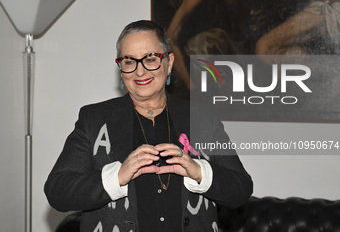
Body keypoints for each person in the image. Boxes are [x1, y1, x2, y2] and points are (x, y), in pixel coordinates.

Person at [44, 20, 253, 232]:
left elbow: (241, 189)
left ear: (169, 62)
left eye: (150, 59)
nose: (140, 71)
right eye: (129, 61)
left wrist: (199, 171)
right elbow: (57, 191)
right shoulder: (94, 119)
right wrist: (116, 177)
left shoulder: (203, 117)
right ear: (120, 68)